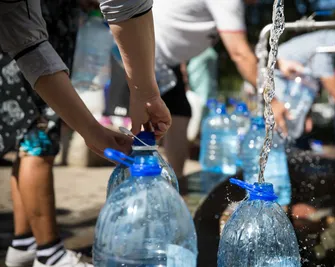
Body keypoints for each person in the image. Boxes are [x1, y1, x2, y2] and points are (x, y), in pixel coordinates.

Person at [0, 0, 171, 266]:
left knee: (28, 140)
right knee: (38, 139)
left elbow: (26, 42)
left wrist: (91, 130)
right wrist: (146, 93)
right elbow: (123, 4)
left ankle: (24, 243)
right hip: (33, 46)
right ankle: (49, 253)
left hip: (28, 48)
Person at [103, 0, 290, 179]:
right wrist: (271, 101)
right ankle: (126, 188)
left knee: (180, 113)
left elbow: (242, 45)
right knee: (134, 125)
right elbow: (240, 54)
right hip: (135, 54)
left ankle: (174, 183)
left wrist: (280, 63)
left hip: (165, 62)